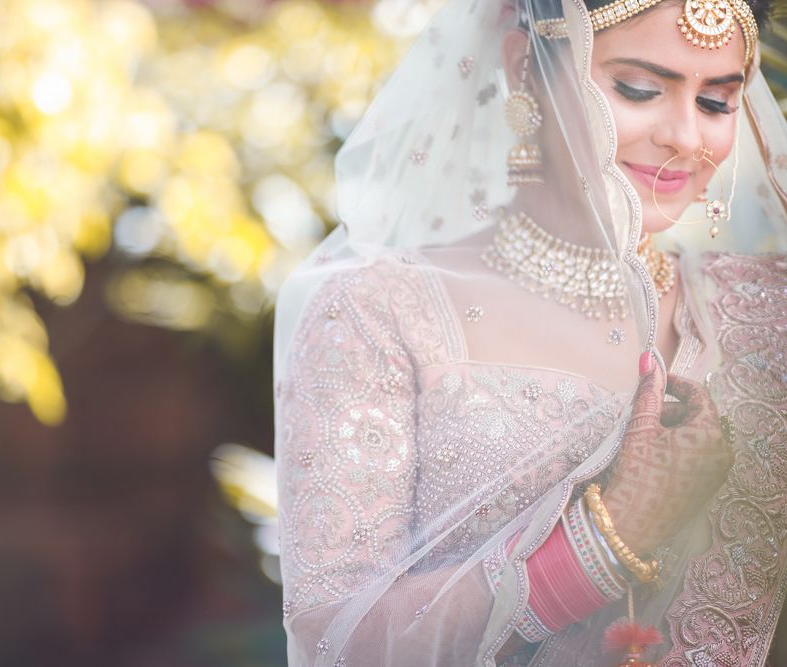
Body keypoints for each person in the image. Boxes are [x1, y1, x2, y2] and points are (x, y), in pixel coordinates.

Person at [272, 0, 787, 665]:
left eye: (718, 103)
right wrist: (603, 539)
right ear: (525, 70)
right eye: (639, 89)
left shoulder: (769, 311)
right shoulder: (380, 311)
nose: (687, 137)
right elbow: (333, 647)